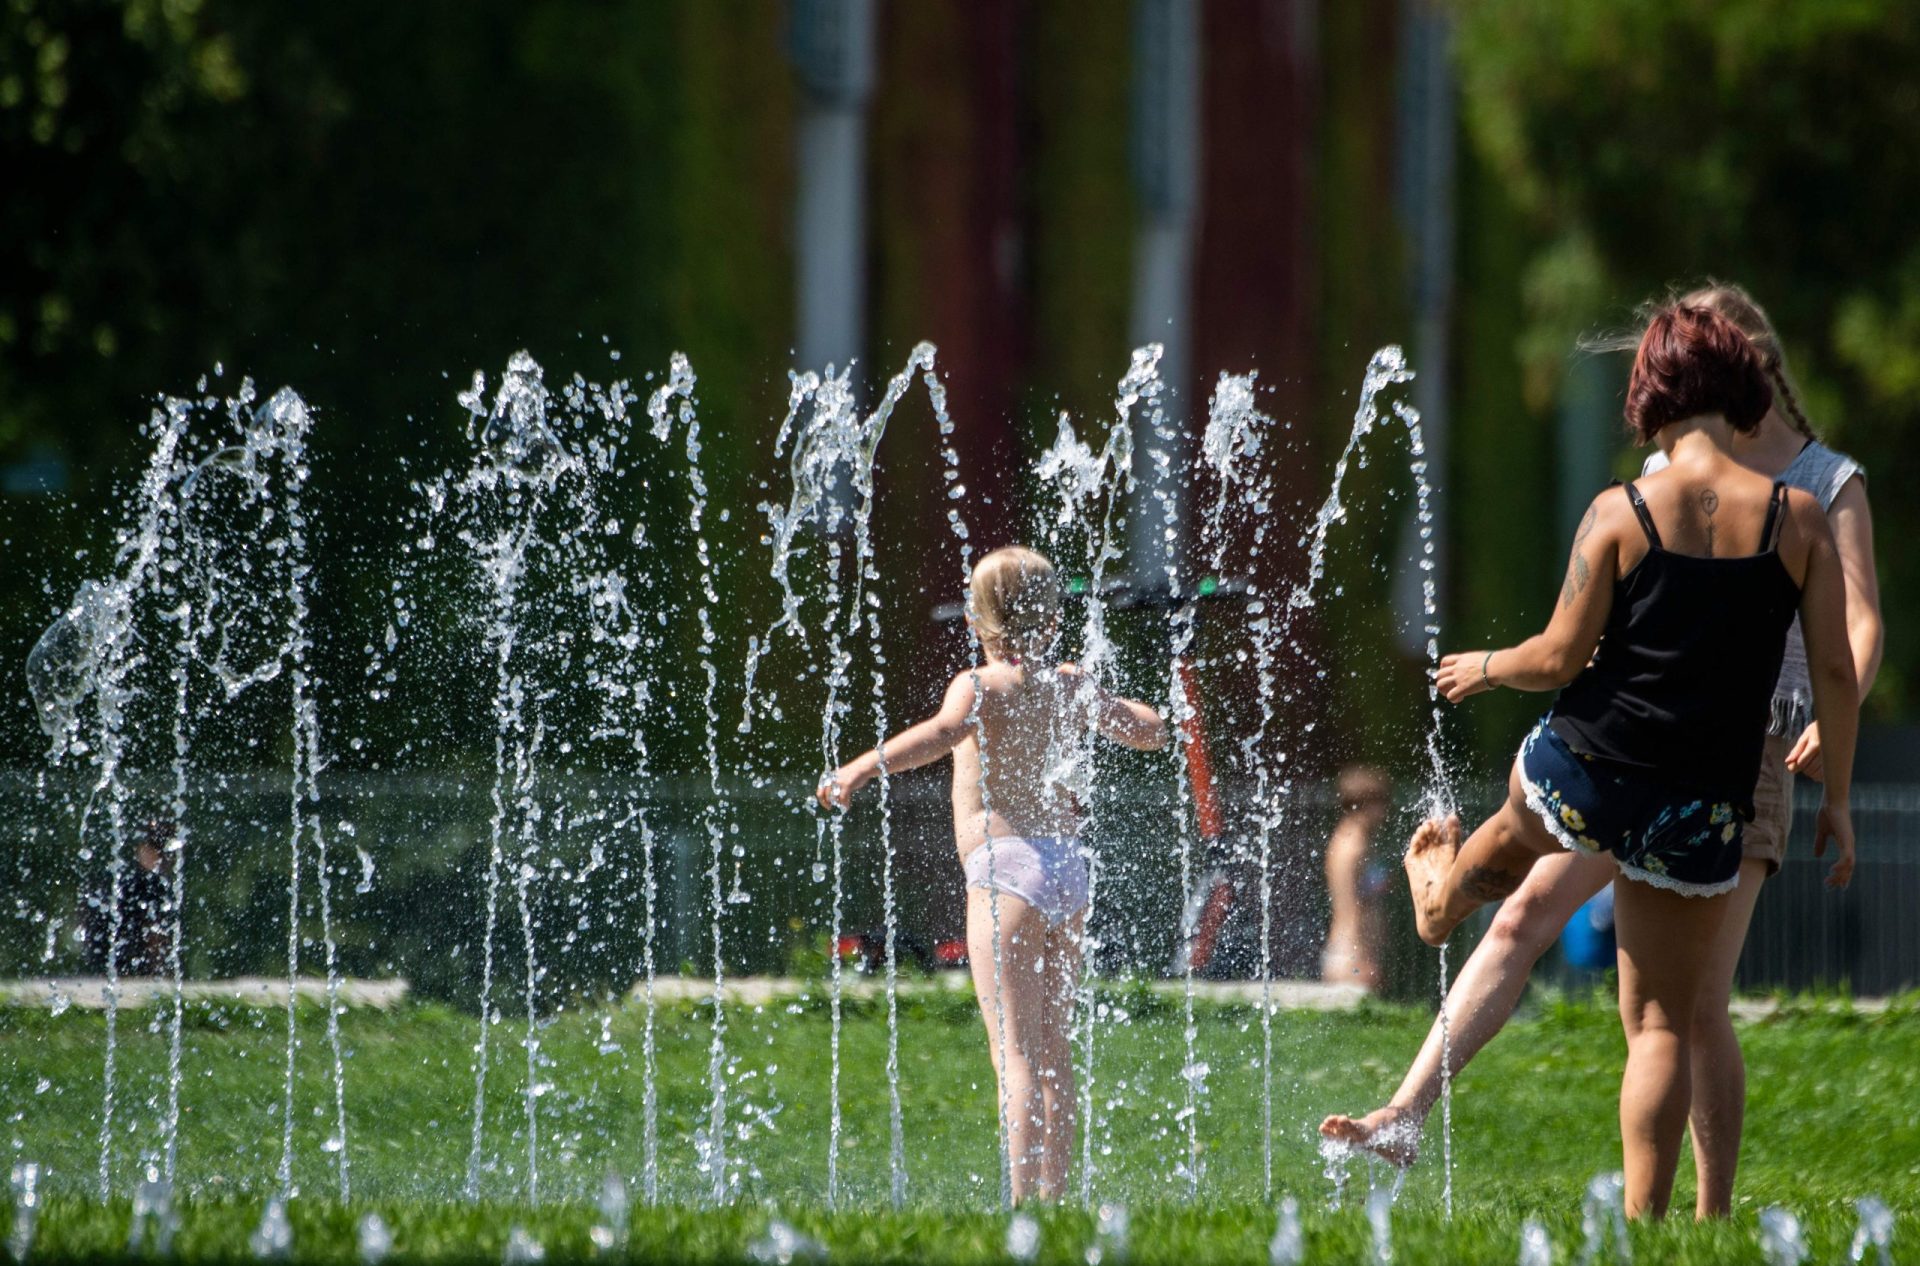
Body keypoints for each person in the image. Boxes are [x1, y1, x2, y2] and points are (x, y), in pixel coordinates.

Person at [1320, 284, 1883, 1219]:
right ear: (1743, 386)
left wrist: (1486, 669)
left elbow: (1560, 656)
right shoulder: (1800, 520)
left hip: (1591, 771)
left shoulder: (1627, 508)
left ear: (1654, 398)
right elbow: (1834, 658)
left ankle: (1440, 892)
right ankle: (1651, 1227)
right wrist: (1842, 799)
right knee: (1661, 1019)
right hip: (1707, 792)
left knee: (1516, 831)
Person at [817, 545, 1167, 1202]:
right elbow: (1145, 730)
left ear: (978, 623)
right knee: (1055, 1050)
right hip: (1067, 874)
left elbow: (939, 734)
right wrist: (1162, 717)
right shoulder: (1072, 685)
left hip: (1006, 875)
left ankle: (1021, 1204)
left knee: (1016, 1055)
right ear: (1053, 620)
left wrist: (860, 768)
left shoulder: (977, 687)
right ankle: (1056, 1200)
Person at [1321, 765, 1393, 990]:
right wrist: (1360, 956)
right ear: (1362, 804)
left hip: (1364, 949)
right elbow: (1348, 906)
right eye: (1380, 803)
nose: (1384, 811)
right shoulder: (1350, 848)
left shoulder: (1363, 843)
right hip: (1350, 953)